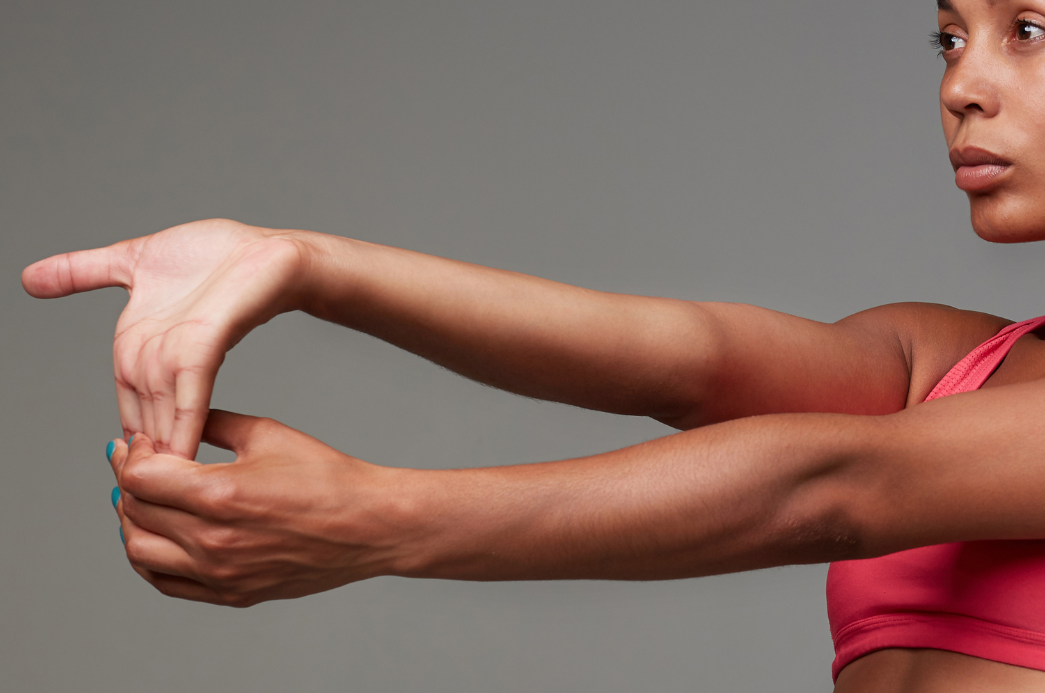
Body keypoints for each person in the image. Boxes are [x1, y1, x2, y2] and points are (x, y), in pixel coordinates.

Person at [19, 0, 1045, 689]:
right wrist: (301, 262)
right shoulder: (956, 364)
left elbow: (829, 487)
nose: (960, 84)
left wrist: (372, 519)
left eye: (1028, 31)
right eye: (948, 37)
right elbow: (688, 359)